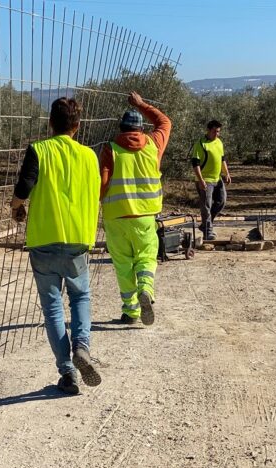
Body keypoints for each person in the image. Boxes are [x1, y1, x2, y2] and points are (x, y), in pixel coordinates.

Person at [9, 97, 102, 395]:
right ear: (78, 125)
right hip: (78, 239)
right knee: (80, 297)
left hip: (43, 240)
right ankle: (83, 346)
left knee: (52, 308)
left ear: (50, 122)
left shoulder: (39, 150)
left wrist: (16, 208)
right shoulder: (90, 156)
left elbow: (24, 187)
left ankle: (67, 371)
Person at [99, 91, 172, 325]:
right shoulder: (153, 144)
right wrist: (141, 105)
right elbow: (164, 122)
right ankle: (146, 291)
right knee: (146, 257)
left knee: (122, 265)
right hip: (145, 217)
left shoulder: (110, 149)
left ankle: (130, 311)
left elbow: (102, 183)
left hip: (116, 218)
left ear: (121, 128)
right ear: (141, 129)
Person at [192, 120, 231, 240]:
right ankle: (208, 232)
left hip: (217, 179)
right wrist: (201, 180)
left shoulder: (219, 142)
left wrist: (227, 173)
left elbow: (222, 159)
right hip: (205, 180)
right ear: (208, 130)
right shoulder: (201, 144)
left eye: (218, 132)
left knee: (221, 201)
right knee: (206, 206)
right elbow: (195, 163)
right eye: (214, 131)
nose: (217, 134)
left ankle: (205, 225)